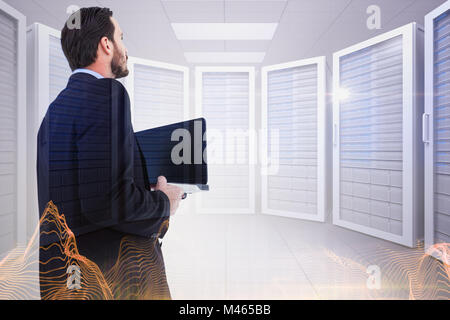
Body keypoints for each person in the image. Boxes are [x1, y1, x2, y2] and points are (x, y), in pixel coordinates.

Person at [37, 7, 184, 299]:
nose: (125, 48)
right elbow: (110, 204)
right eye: (121, 38)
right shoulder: (108, 93)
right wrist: (163, 201)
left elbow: (86, 194)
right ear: (106, 44)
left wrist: (139, 184)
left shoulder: (52, 114)